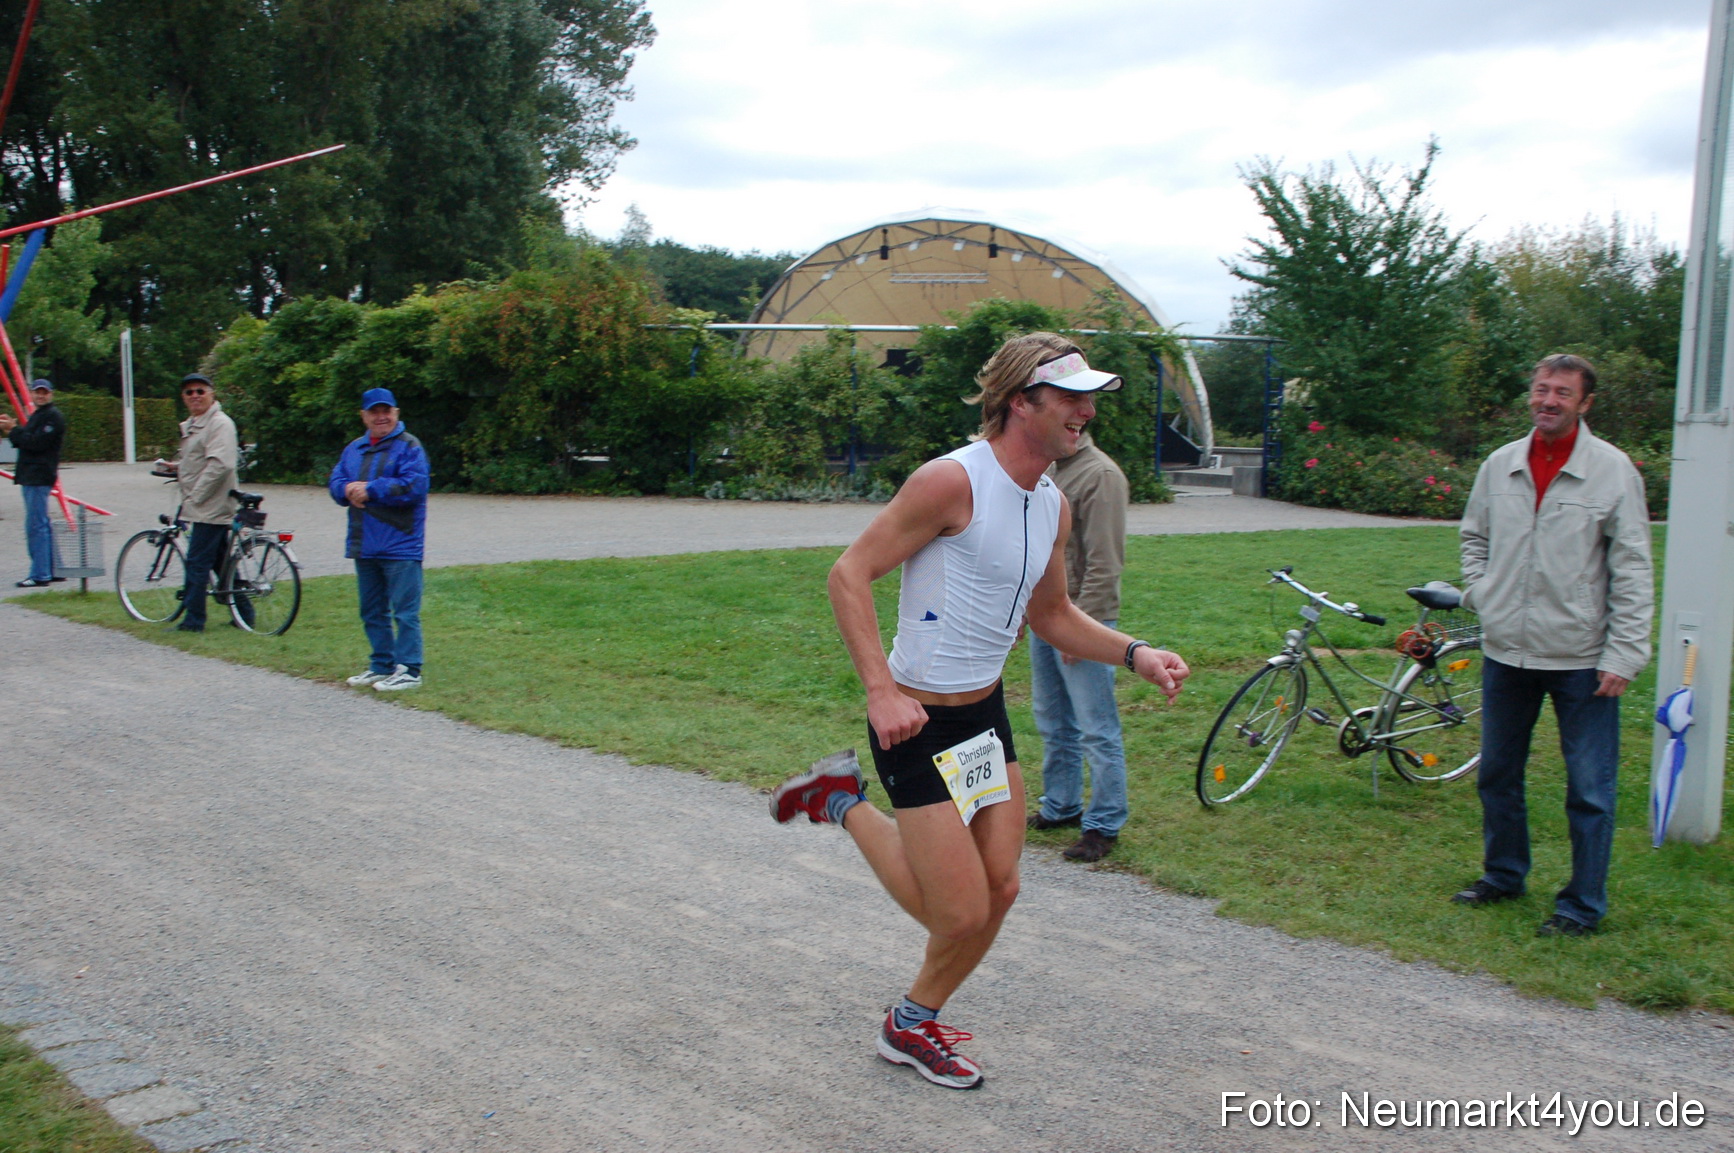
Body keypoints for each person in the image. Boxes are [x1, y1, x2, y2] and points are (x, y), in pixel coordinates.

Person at [769, 333, 1190, 1088]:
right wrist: (880, 690)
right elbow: (849, 574)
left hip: (985, 718)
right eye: (1070, 398)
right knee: (958, 913)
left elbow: (1054, 614)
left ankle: (909, 1019)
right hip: (915, 720)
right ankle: (844, 806)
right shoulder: (950, 481)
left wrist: (1136, 651)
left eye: (1090, 399)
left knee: (1001, 886)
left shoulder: (1051, 504)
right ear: (1020, 401)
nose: (1086, 413)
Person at [1452, 353, 1653, 937]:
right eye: (1541, 389)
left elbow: (1634, 569)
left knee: (1590, 789)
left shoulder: (1613, 472)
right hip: (1506, 650)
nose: (1548, 401)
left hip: (1581, 658)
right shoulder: (1500, 465)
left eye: (1562, 393)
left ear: (1584, 403)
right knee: (1497, 775)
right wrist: (1484, 592)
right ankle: (1504, 874)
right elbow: (1473, 535)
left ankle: (1581, 905)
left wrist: (1624, 653)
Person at [1026, 430, 1132, 862]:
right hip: (1047, 615)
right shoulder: (1051, 468)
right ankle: (1061, 805)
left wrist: (1080, 632)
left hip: (1082, 620)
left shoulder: (1101, 475)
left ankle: (1104, 823)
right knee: (1053, 718)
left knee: (1096, 726)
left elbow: (1106, 564)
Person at [330, 388, 429, 692]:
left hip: (401, 544)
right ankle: (381, 664)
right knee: (372, 610)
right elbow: (335, 482)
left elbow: (414, 486)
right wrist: (347, 490)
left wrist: (372, 489)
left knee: (404, 611)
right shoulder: (354, 449)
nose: (381, 417)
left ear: (396, 413)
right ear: (364, 416)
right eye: (374, 412)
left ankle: (410, 669)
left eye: (386, 411)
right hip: (365, 543)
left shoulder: (410, 447)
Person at [171, 373, 239, 629]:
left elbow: (220, 464)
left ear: (212, 393)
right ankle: (243, 613)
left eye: (200, 391)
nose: (195, 396)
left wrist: (195, 495)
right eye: (189, 392)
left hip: (210, 505)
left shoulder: (219, 423)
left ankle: (194, 619)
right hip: (202, 503)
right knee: (222, 562)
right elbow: (199, 460)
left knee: (197, 562)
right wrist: (175, 467)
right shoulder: (195, 424)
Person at [0, 379, 65, 587]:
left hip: (39, 476)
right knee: (42, 523)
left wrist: (13, 430)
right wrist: (14, 430)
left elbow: (35, 443)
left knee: (36, 526)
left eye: (44, 392)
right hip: (33, 476)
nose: (41, 396)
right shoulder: (39, 415)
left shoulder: (53, 418)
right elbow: (28, 438)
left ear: (51, 394)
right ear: (32, 394)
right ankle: (54, 569)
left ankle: (40, 574)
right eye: (37, 392)